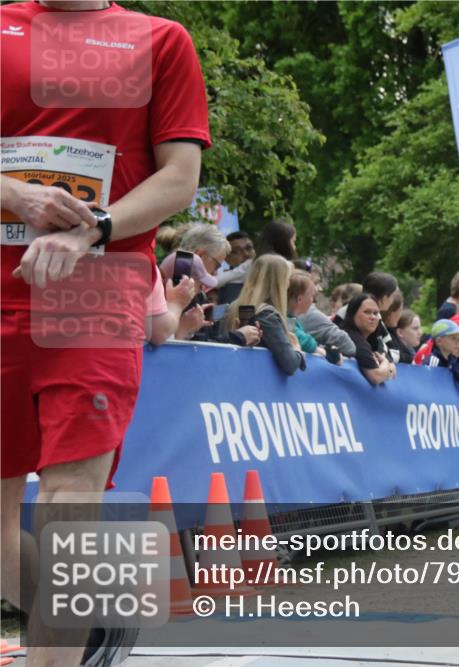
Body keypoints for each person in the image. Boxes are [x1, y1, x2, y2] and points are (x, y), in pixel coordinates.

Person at [0, 0, 210, 663]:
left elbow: (179, 177)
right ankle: (96, 621)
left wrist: (94, 229)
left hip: (95, 294)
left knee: (69, 501)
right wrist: (15, 194)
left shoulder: (159, 40)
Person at [222, 255, 306, 375]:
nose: (288, 284)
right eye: (287, 279)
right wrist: (297, 350)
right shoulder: (267, 315)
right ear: (279, 283)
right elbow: (290, 363)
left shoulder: (232, 307)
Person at [342, 293, 397, 385]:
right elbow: (376, 376)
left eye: (376, 313)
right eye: (367, 312)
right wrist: (385, 363)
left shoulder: (374, 339)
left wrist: (387, 367)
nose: (373, 317)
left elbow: (392, 368)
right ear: (352, 314)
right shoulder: (352, 338)